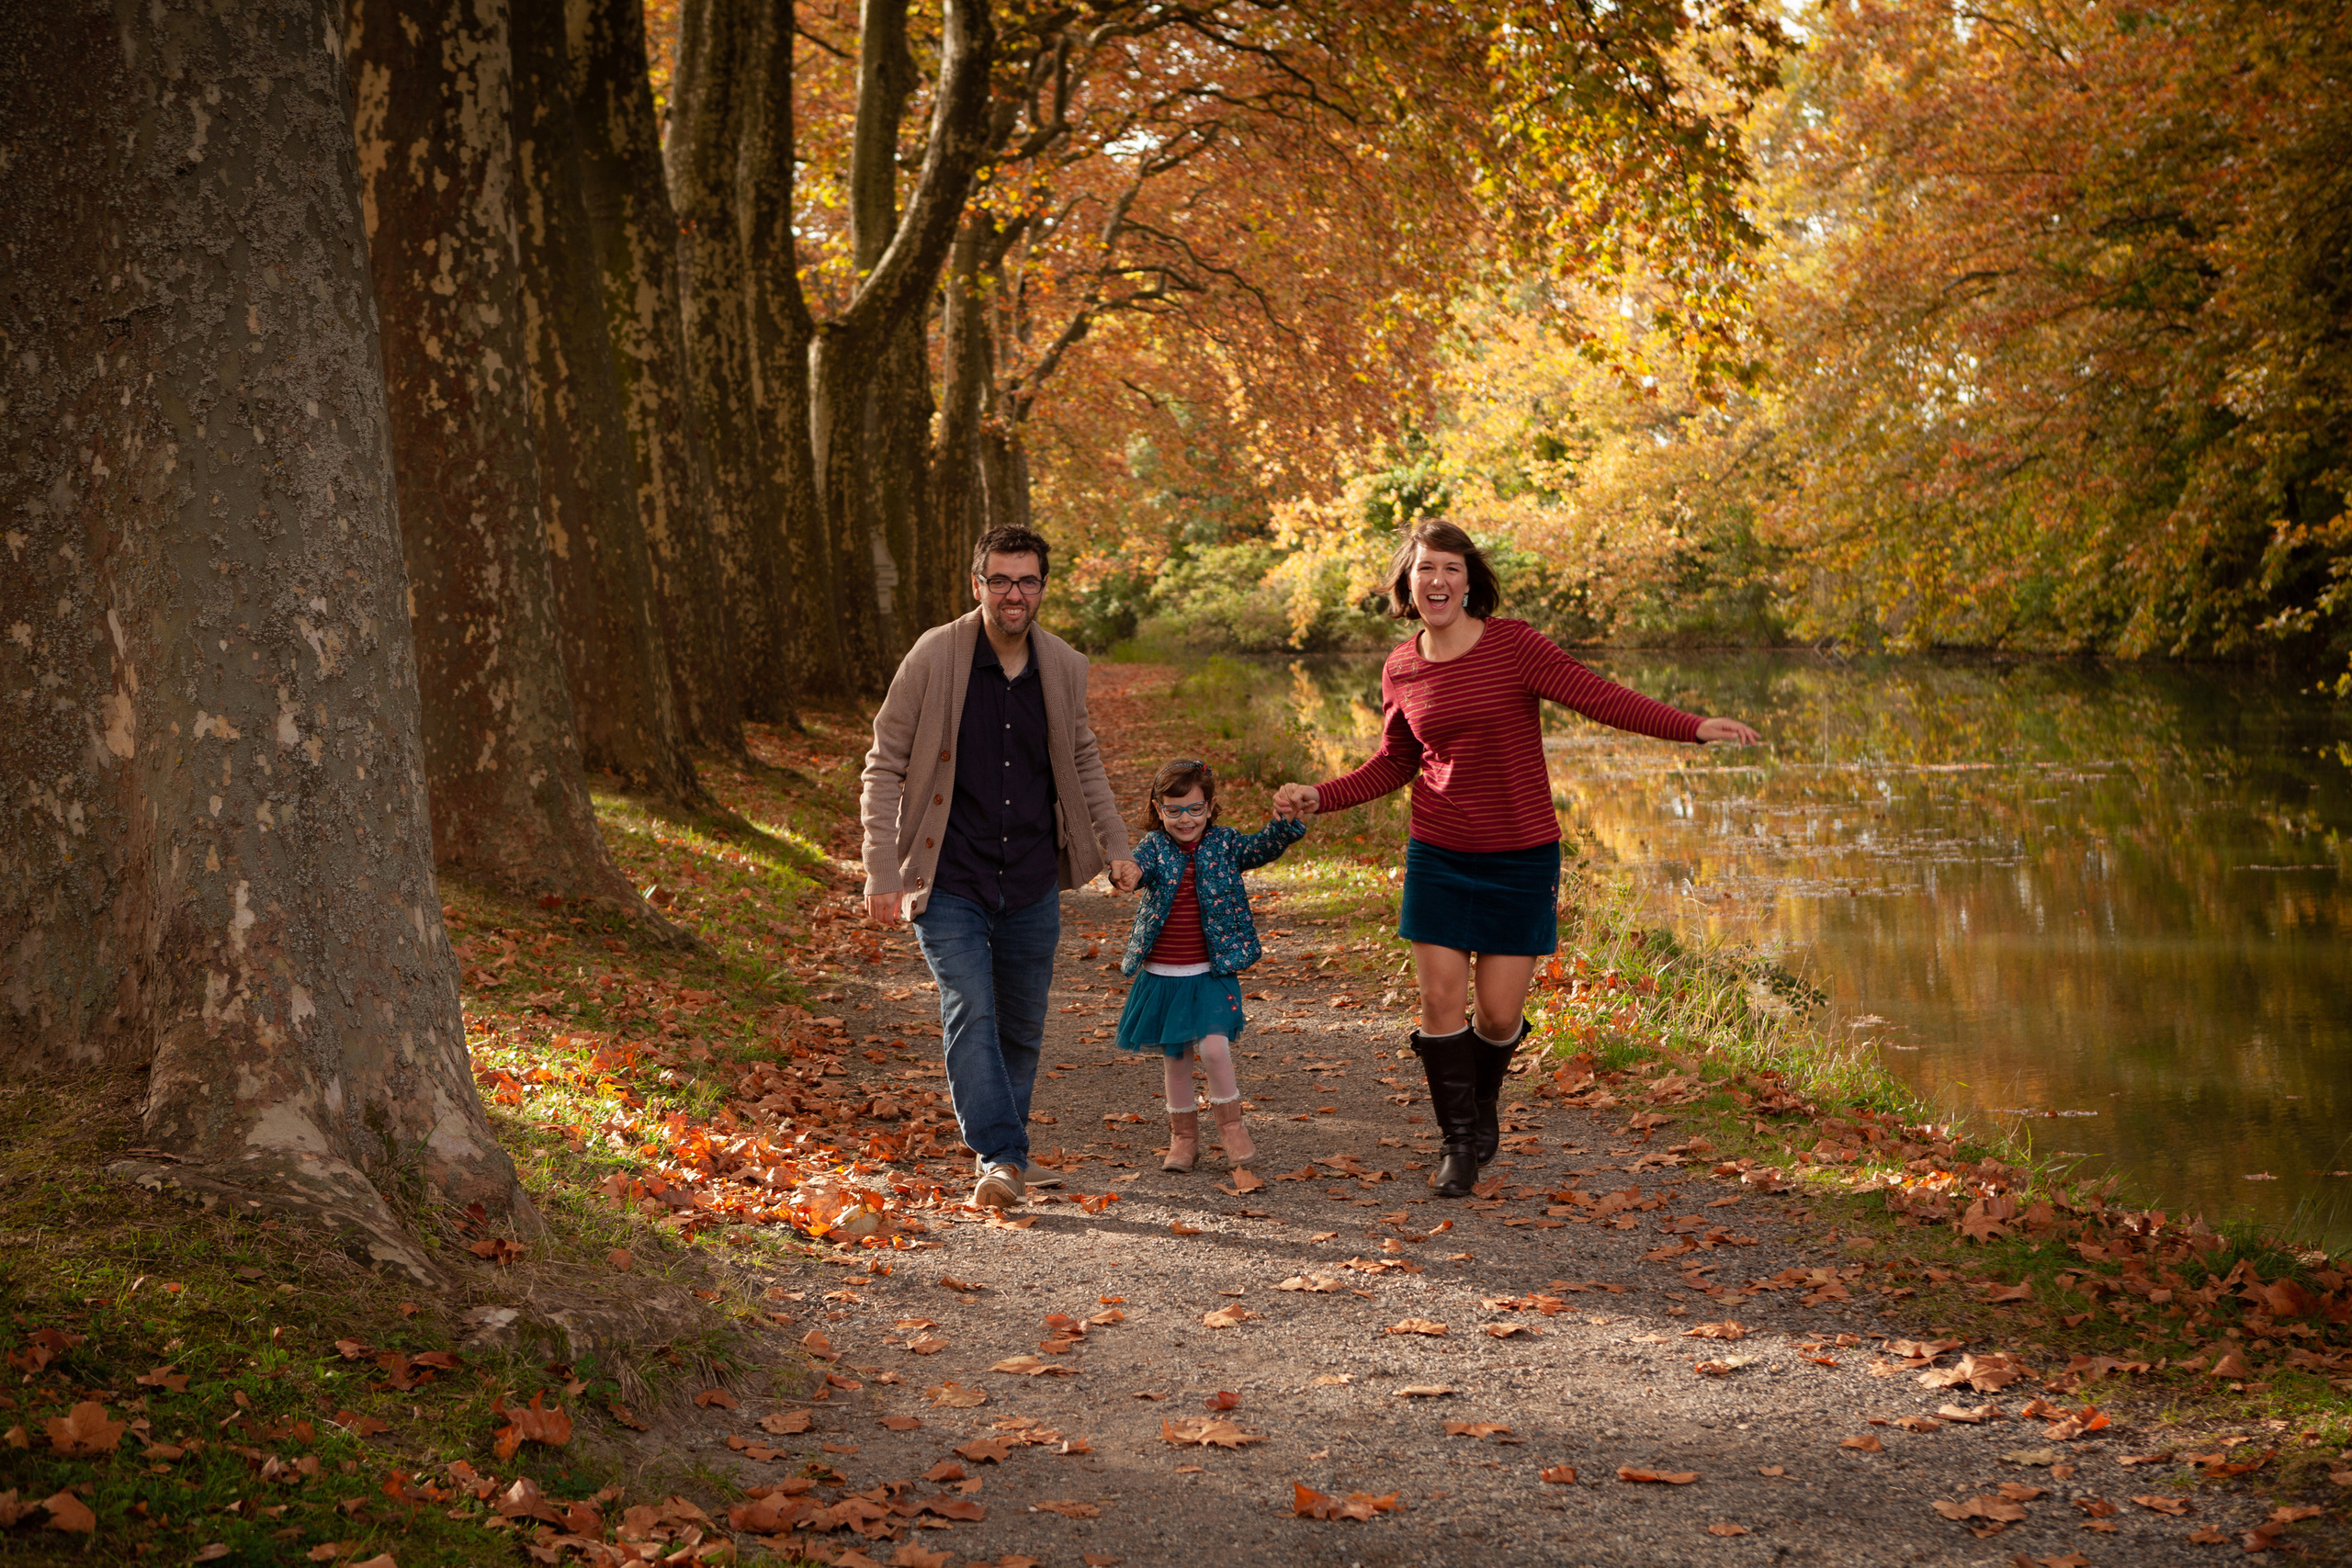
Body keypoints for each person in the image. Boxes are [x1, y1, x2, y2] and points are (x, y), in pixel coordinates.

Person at [1274, 520, 1760, 1198]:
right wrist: (1319, 796)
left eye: (1450, 567)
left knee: (1499, 1017)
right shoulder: (1402, 666)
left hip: (1521, 854)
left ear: (1470, 580)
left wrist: (1693, 726)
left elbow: (1601, 697)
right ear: (1407, 585)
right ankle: (1458, 1143)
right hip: (1439, 851)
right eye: (1425, 569)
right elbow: (1395, 762)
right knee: (1439, 998)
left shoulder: (1514, 645)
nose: (1437, 580)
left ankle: (1481, 1102)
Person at [860, 525, 1141, 1211]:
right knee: (970, 1009)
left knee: (1020, 1025)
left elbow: (1082, 762)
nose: (1014, 593)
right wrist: (880, 870)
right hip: (948, 874)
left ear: (1042, 587)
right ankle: (1003, 1155)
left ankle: (1003, 1153)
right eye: (1001, 579)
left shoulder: (1063, 666)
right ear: (977, 583)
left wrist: (1116, 845)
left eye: (1027, 580)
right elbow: (884, 762)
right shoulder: (936, 655)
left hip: (1030, 878)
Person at [1111, 760, 1308, 1173]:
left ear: (1210, 806)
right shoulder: (1153, 847)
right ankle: (1183, 1138)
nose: (1186, 819)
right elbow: (1137, 868)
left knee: (1215, 1049)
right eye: (1174, 810)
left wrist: (1283, 822)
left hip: (1211, 971)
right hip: (1164, 973)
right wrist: (1125, 873)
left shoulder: (1225, 844)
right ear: (1158, 808)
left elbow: (1262, 847)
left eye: (1195, 809)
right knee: (1176, 1058)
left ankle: (1232, 1126)